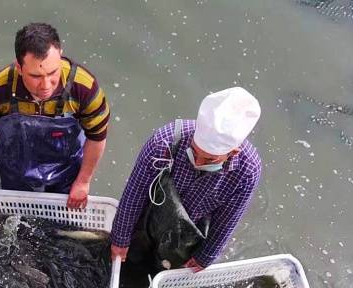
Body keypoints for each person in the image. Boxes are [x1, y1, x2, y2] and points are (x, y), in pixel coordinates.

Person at [0, 22, 110, 209]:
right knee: (13, 218)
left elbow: (97, 136)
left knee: (63, 225)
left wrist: (83, 181)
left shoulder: (84, 88)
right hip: (14, 167)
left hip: (66, 167)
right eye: (35, 76)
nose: (46, 85)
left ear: (60, 55)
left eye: (52, 72)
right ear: (19, 68)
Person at [110, 87, 262, 273]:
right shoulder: (164, 142)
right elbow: (134, 194)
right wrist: (120, 239)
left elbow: (228, 218)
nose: (197, 162)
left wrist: (205, 256)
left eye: (209, 160)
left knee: (165, 269)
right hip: (148, 217)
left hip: (190, 231)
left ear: (232, 153)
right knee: (130, 260)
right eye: (195, 151)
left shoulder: (247, 170)